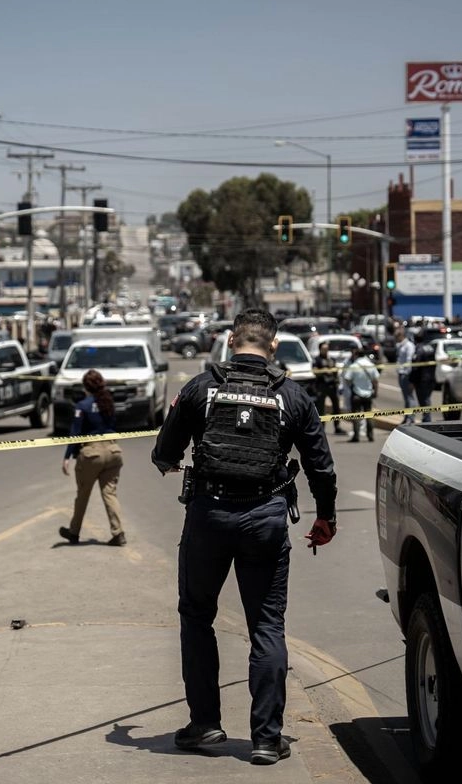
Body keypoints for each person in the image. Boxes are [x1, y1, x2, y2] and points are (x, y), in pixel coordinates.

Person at [151, 307, 337, 767]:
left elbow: (164, 451)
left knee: (197, 616)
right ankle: (266, 739)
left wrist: (172, 459)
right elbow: (321, 467)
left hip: (209, 517)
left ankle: (205, 724)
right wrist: (326, 517)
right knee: (267, 627)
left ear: (231, 340)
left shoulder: (200, 387)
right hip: (265, 520)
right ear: (272, 346)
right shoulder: (290, 395)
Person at [58, 369, 126, 546]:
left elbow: (75, 433)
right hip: (113, 451)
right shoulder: (108, 403)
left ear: (85, 387)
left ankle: (74, 532)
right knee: (110, 494)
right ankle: (118, 533)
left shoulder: (82, 406)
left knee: (83, 495)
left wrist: (68, 457)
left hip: (91, 454)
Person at [342, 348, 380, 442]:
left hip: (356, 394)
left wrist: (352, 384)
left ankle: (356, 436)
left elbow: (347, 379)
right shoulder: (371, 365)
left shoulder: (353, 366)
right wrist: (375, 392)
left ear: (356, 355)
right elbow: (375, 380)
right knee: (368, 414)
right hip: (368, 394)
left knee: (356, 416)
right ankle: (370, 435)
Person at [311, 342, 346, 436]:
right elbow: (314, 371)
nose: (325, 351)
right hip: (322, 386)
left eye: (327, 349)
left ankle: (337, 427)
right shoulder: (317, 360)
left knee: (336, 407)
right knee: (321, 409)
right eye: (324, 349)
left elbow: (336, 372)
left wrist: (337, 380)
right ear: (320, 350)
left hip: (332, 385)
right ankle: (321, 428)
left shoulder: (331, 359)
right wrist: (324, 371)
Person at [409, 341, 437, 423]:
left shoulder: (419, 350)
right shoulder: (431, 348)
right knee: (426, 399)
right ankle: (426, 418)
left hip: (422, 380)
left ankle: (427, 419)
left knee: (424, 400)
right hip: (431, 378)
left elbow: (415, 367)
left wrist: (412, 381)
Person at [394, 328, 417, 424]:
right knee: (406, 398)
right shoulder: (400, 346)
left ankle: (411, 418)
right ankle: (407, 416)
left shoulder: (409, 346)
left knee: (409, 397)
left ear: (401, 336)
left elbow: (409, 361)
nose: (395, 339)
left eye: (396, 337)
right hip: (401, 373)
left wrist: (409, 376)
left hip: (406, 374)